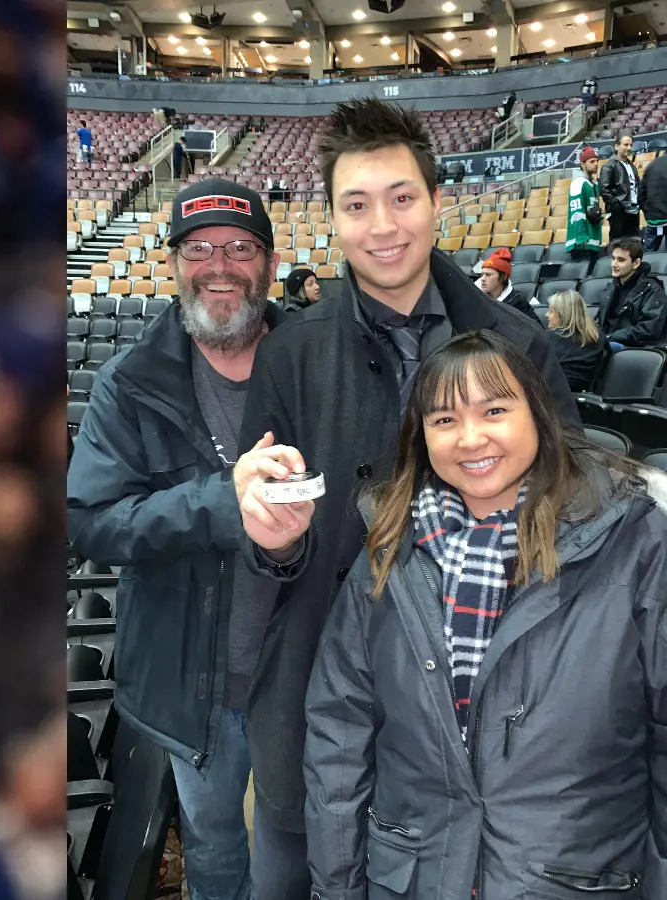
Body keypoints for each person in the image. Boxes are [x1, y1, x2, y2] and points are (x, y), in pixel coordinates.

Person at [230, 98, 579, 854]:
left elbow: (572, 506)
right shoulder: (288, 357)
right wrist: (272, 535)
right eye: (357, 205)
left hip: (489, 695)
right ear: (330, 217)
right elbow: (271, 546)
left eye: (401, 198)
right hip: (325, 689)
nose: (382, 227)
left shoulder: (520, 342)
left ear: (435, 202)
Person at [304, 329, 667, 900]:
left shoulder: (638, 544)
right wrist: (336, 889)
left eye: (494, 410)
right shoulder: (390, 549)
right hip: (415, 878)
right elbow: (340, 737)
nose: (471, 439)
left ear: (538, 415)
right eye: (444, 420)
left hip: (574, 881)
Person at [67, 179, 309, 900]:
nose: (220, 265)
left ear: (268, 261)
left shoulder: (317, 360)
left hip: (307, 667)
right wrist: (221, 500)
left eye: (241, 247)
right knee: (213, 845)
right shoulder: (129, 381)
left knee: (299, 849)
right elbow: (92, 520)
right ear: (174, 261)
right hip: (193, 677)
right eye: (199, 248)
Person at [598, 235, 667, 350]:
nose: (614, 264)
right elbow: (599, 321)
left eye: (621, 260)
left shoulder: (653, 290)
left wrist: (610, 337)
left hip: (634, 348)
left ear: (636, 263)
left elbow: (648, 329)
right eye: (613, 258)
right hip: (609, 342)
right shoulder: (612, 286)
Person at [547, 288, 608, 391]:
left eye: (551, 311)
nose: (547, 315)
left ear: (563, 314)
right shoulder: (599, 337)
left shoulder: (549, 338)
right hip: (581, 398)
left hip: (550, 394)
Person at [475, 248, 539, 322]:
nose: (482, 279)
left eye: (488, 275)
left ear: (504, 277)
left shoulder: (518, 303)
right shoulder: (474, 296)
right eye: (482, 274)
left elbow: (537, 329)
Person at [600, 131, 641, 241]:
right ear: (617, 146)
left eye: (631, 145)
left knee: (635, 243)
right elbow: (604, 190)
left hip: (634, 210)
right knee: (618, 243)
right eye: (626, 144)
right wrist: (616, 206)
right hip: (619, 212)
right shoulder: (609, 166)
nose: (629, 148)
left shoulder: (631, 166)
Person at [566, 146, 603, 265]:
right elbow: (576, 211)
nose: (596, 164)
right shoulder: (578, 183)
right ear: (582, 164)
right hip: (581, 243)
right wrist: (581, 235)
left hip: (592, 241)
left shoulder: (593, 184)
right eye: (592, 161)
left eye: (597, 161)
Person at [640, 149, 667, 252]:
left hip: (654, 218)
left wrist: (647, 212)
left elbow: (641, 193)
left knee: (648, 254)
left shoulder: (652, 165)